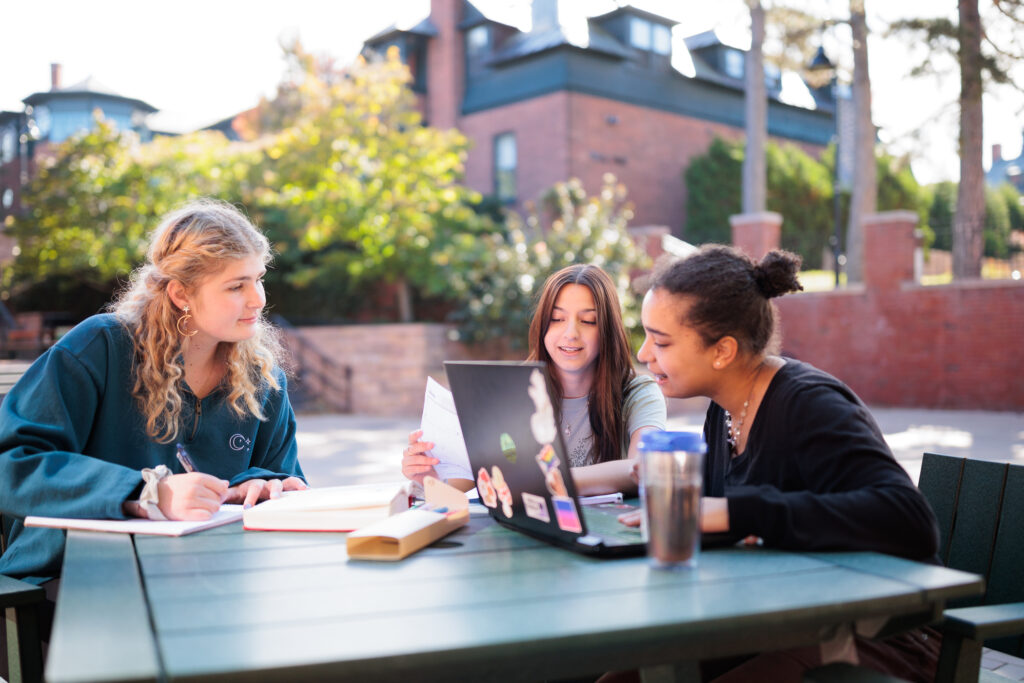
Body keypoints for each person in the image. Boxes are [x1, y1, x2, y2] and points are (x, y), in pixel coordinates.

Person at [617, 244, 941, 682]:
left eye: (660, 341)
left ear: (722, 351)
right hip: (781, 620)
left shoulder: (810, 404)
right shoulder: (725, 410)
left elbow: (910, 520)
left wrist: (737, 511)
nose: (643, 355)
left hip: (877, 635)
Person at [0, 198, 307, 587]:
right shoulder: (102, 347)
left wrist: (264, 487)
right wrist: (147, 494)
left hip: (212, 578)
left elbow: (287, 482)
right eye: (236, 285)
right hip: (72, 581)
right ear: (181, 294)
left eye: (259, 278)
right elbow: (11, 463)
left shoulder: (264, 379)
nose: (258, 299)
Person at [401, 264, 667, 496]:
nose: (570, 333)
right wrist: (428, 478)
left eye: (588, 321)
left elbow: (641, 467)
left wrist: (544, 481)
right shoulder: (511, 393)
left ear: (608, 330)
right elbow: (466, 490)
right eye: (556, 319)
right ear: (542, 326)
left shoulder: (639, 393)